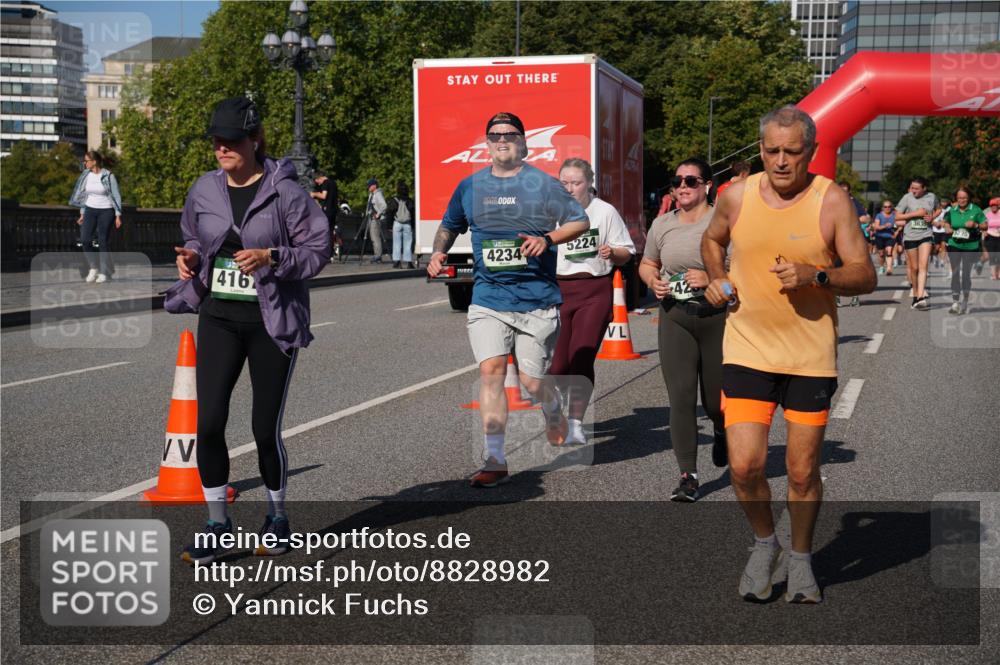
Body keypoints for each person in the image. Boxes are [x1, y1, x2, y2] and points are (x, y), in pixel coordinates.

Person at [701, 105, 876, 603]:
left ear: (811, 153)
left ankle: (800, 560)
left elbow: (864, 273)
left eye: (792, 152)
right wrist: (717, 277)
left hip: (809, 358)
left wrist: (817, 275)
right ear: (760, 150)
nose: (780, 162)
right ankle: (764, 543)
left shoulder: (832, 200)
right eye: (772, 151)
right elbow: (712, 241)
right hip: (747, 350)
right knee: (744, 466)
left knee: (801, 472)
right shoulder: (735, 196)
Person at [164, 97, 330, 564]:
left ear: (255, 140)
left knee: (263, 427)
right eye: (216, 141)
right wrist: (190, 257)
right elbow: (195, 237)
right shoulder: (204, 190)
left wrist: (271, 257)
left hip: (271, 321)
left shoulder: (288, 194)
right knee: (208, 422)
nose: (222, 148)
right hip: (218, 316)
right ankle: (217, 524)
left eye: (231, 141)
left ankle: (278, 518)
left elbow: (317, 252)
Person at [427, 112, 589, 487]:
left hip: (536, 299)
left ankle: (553, 410)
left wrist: (547, 240)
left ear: (523, 143)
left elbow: (579, 221)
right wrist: (438, 253)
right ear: (487, 143)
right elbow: (449, 226)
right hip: (488, 297)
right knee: (492, 372)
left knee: (532, 384)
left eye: (510, 135)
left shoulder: (543, 185)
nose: (503, 140)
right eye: (495, 135)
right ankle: (495, 459)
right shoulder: (469, 186)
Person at [639, 157, 726, 502]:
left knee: (716, 402)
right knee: (681, 399)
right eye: (677, 182)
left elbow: (745, 267)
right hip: (675, 315)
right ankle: (688, 475)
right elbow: (648, 263)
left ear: (707, 185)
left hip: (718, 316)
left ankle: (721, 428)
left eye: (691, 181)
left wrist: (712, 277)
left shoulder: (723, 221)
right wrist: (653, 282)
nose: (683, 187)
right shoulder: (662, 224)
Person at [553, 158, 635, 445]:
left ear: (589, 183)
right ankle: (558, 412)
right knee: (557, 366)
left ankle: (575, 420)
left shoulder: (604, 212)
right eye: (564, 182)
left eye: (576, 182)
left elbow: (627, 252)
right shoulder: (551, 211)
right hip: (559, 290)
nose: (570, 188)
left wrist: (612, 252)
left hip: (594, 290)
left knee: (582, 354)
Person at [69, 149, 123, 283]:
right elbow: (83, 195)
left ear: (94, 162)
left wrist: (117, 215)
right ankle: (94, 267)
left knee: (103, 240)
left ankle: (104, 272)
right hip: (90, 210)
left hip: (106, 210)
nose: (84, 163)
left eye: (86, 161)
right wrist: (82, 213)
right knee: (85, 239)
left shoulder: (108, 176)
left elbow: (116, 196)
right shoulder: (86, 175)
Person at [895, 177, 938, 309]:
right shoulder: (906, 198)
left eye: (916, 189)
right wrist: (915, 214)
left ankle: (920, 297)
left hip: (925, 235)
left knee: (923, 266)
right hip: (910, 236)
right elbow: (897, 216)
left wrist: (932, 217)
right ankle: (915, 294)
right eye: (912, 187)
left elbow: (939, 209)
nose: (913, 191)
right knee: (914, 268)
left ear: (924, 188)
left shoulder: (932, 197)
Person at [943, 186, 988, 315]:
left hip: (971, 246)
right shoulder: (952, 210)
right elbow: (945, 222)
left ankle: (965, 301)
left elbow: (985, 225)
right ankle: (955, 302)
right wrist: (947, 227)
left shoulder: (976, 210)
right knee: (955, 272)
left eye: (964, 198)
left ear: (969, 198)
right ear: (956, 198)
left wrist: (976, 225)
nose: (962, 200)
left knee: (966, 274)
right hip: (954, 244)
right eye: (959, 198)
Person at [837, 181, 871, 307]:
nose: (843, 194)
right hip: (837, 240)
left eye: (846, 191)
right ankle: (837, 296)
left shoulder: (854, 202)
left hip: (852, 239)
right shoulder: (832, 201)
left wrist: (850, 218)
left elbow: (865, 218)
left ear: (849, 192)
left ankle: (855, 296)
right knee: (838, 269)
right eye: (841, 191)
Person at [386, 181, 416, 269]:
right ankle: (409, 262)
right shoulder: (410, 201)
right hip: (407, 224)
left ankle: (397, 262)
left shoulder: (394, 200)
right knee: (408, 244)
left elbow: (389, 213)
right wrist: (413, 226)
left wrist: (389, 226)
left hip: (397, 223)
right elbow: (413, 214)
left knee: (396, 243)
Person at [310, 170, 339, 258]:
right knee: (330, 231)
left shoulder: (326, 183)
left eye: (317, 181)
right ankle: (330, 253)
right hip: (334, 210)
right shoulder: (333, 183)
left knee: (325, 231)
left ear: (319, 178)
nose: (318, 184)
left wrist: (314, 194)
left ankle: (325, 252)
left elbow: (324, 195)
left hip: (327, 210)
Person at [364, 177, 387, 263]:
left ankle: (378, 256)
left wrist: (378, 214)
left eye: (369, 185)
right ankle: (377, 256)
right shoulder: (372, 194)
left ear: (374, 185)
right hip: (371, 218)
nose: (368, 187)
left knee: (375, 238)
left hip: (376, 219)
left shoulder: (378, 194)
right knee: (373, 237)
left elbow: (384, 206)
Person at [872, 200, 897, 275]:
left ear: (891, 207)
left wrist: (896, 232)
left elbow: (900, 224)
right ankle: (882, 266)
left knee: (889, 251)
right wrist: (885, 226)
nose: (887, 208)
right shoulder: (879, 215)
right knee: (881, 253)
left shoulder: (894, 215)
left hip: (890, 236)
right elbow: (876, 227)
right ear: (882, 208)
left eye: (889, 207)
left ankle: (889, 268)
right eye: (885, 207)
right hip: (879, 236)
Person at [931, 196, 952, 270]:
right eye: (942, 202)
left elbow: (949, 218)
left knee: (943, 245)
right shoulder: (935, 209)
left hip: (944, 230)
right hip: (936, 230)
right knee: (936, 247)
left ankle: (942, 261)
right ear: (940, 202)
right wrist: (935, 223)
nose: (944, 203)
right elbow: (930, 219)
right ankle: (934, 256)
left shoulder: (949, 209)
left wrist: (944, 223)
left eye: (945, 202)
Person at [984, 197, 1000, 281]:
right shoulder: (987, 214)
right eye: (991, 206)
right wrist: (984, 231)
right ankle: (993, 274)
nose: (993, 207)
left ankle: (999, 273)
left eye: (995, 205)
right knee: (992, 256)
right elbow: (983, 225)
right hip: (990, 236)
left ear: (998, 206)